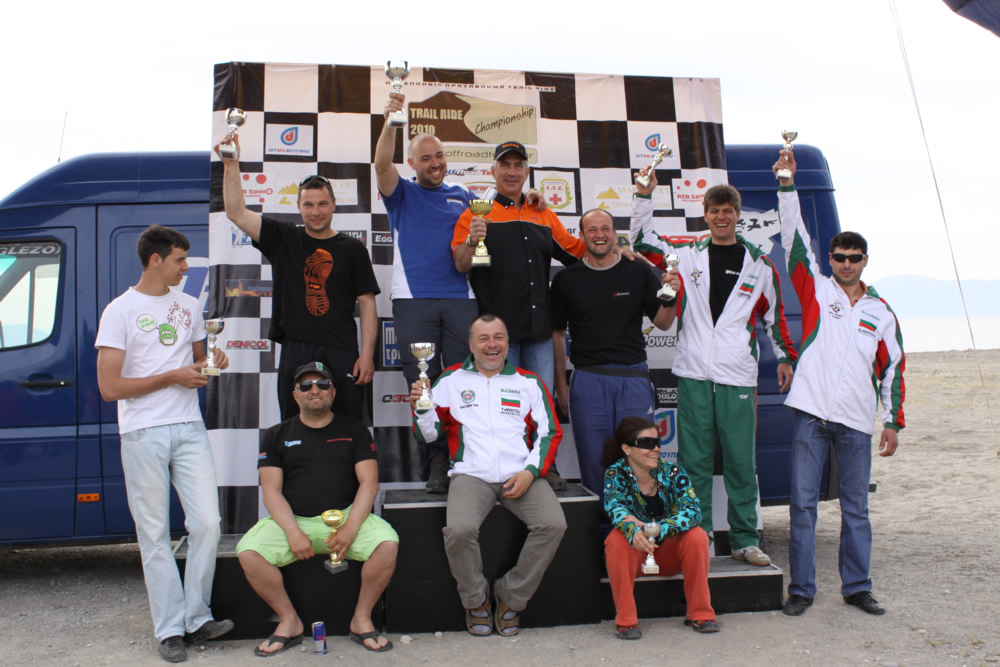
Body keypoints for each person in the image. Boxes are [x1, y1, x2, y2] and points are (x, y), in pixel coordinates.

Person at [631, 168, 797, 566]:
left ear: (738, 215)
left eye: (728, 210)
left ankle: (744, 539)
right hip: (693, 374)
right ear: (704, 214)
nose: (721, 217)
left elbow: (775, 318)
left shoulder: (760, 265)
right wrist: (643, 196)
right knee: (694, 462)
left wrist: (785, 356)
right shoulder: (686, 254)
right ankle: (697, 536)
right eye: (714, 210)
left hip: (737, 376)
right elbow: (641, 240)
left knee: (741, 461)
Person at [773, 151, 905, 617]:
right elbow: (794, 238)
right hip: (811, 415)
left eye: (854, 258)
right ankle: (802, 590)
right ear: (829, 259)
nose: (846, 264)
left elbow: (893, 370)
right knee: (803, 508)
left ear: (865, 261)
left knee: (856, 510)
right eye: (839, 257)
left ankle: (858, 587)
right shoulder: (816, 289)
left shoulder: (881, 312)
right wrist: (787, 186)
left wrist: (893, 423)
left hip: (855, 423)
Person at [95, 225, 233, 663]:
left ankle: (197, 617)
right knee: (153, 534)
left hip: (189, 426)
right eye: (179, 260)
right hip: (142, 431)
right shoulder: (119, 311)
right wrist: (172, 377)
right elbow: (110, 388)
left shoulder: (189, 305)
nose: (186, 268)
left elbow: (198, 362)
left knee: (208, 523)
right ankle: (170, 629)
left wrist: (212, 361)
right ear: (155, 260)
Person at [410, 314, 566, 637]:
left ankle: (511, 595)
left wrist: (530, 472)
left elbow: (549, 432)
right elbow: (428, 435)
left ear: (508, 343)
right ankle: (475, 599)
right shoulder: (451, 380)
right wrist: (422, 408)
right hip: (472, 476)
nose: (492, 345)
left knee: (554, 524)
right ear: (471, 344)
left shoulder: (528, 382)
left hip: (521, 475)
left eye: (498, 337)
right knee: (459, 530)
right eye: (483, 338)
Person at [236, 362, 399, 655]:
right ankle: (289, 621)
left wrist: (350, 528)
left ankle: (361, 619)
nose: (315, 390)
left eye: (323, 384)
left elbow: (370, 484)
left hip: (347, 517)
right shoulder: (275, 434)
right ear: (295, 394)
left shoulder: (356, 430)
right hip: (293, 521)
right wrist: (293, 531)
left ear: (333, 392)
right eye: (306, 385)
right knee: (249, 553)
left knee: (387, 544)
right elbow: (271, 492)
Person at [452, 140, 589, 490]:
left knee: (540, 404)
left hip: (539, 329)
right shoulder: (475, 213)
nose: (511, 172)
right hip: (498, 335)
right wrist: (471, 241)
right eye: (505, 165)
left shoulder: (542, 212)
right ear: (493, 171)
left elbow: (577, 253)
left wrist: (618, 248)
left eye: (518, 165)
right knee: (502, 406)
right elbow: (460, 264)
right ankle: (505, 471)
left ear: (527, 172)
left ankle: (544, 466)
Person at [216, 137, 380, 423]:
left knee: (348, 428)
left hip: (342, 349)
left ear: (334, 205)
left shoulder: (353, 248)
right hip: (296, 348)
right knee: (295, 427)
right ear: (298, 206)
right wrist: (231, 164)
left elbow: (367, 303)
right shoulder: (284, 237)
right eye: (308, 204)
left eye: (322, 204)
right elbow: (236, 213)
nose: (316, 211)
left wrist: (367, 354)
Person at [374, 92, 480, 492]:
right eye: (425, 158)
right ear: (412, 163)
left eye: (439, 156)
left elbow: (497, 216)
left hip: (461, 299)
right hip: (413, 299)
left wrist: (533, 201)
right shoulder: (400, 192)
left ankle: (465, 457)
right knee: (423, 383)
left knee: (464, 380)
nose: (434, 164)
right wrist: (390, 121)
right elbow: (382, 164)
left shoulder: (463, 194)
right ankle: (435, 460)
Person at [550, 208, 679, 520]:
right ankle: (604, 538)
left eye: (605, 228)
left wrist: (672, 296)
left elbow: (663, 323)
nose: (599, 235)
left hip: (633, 379)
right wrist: (561, 385)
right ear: (582, 235)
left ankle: (640, 535)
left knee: (640, 462)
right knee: (596, 465)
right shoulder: (567, 279)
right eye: (592, 229)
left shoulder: (638, 271)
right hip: (588, 380)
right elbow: (556, 334)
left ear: (615, 233)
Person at [603, 417, 717, 638]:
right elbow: (615, 508)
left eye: (657, 442)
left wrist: (653, 528)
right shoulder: (615, 474)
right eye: (647, 443)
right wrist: (634, 530)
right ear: (627, 449)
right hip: (636, 556)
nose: (655, 449)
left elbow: (693, 511)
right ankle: (626, 621)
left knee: (697, 536)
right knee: (616, 539)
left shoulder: (673, 472)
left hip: (669, 556)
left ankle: (700, 614)